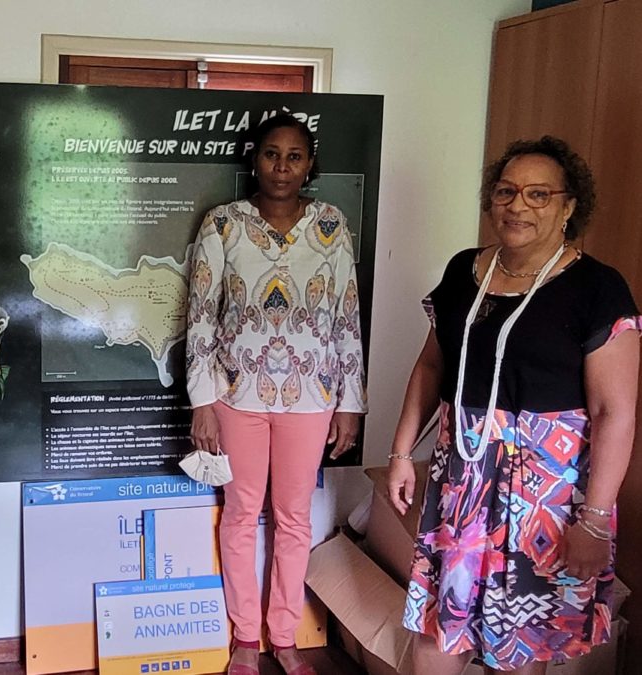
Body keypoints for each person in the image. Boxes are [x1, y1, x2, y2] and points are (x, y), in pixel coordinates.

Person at [387, 136, 640, 674]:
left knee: (519, 644)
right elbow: (433, 366)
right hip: (463, 482)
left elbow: (613, 413)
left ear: (569, 206)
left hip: (548, 501)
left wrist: (594, 523)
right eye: (506, 191)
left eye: (539, 194)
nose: (518, 205)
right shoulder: (464, 271)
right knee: (439, 625)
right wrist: (401, 452)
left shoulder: (599, 288)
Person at [186, 113, 367, 675]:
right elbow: (199, 318)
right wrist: (202, 402)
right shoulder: (223, 224)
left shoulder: (332, 226)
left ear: (310, 164)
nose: (281, 166)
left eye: (294, 155)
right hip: (236, 395)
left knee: (293, 519)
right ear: (254, 159)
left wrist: (352, 404)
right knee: (240, 515)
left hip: (312, 397)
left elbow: (346, 320)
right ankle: (245, 639)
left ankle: (284, 636)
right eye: (271, 154)